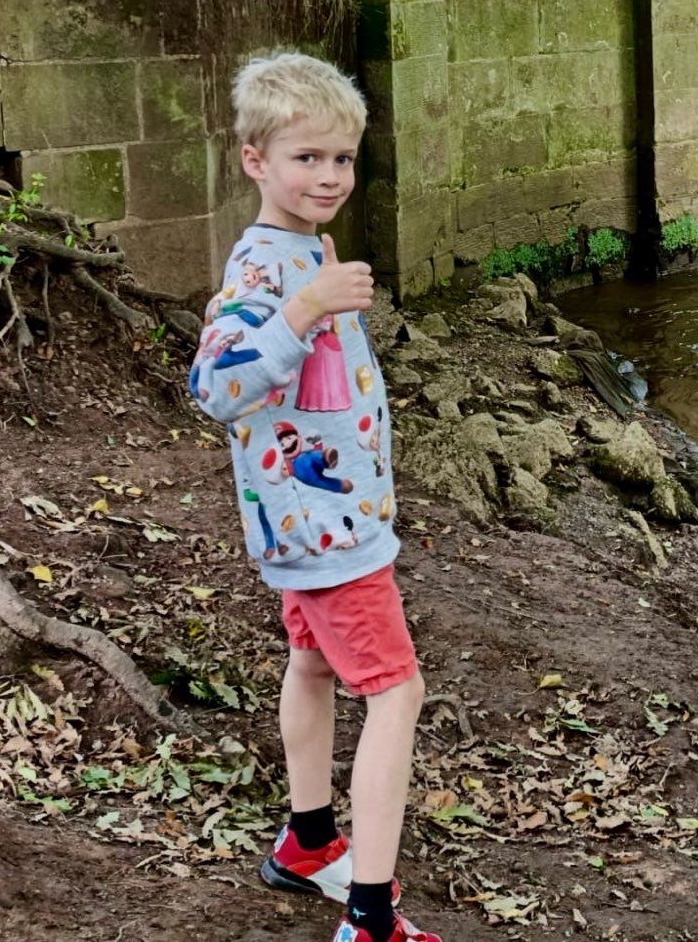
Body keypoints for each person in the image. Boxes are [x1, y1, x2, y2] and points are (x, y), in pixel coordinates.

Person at [189, 50, 438, 942]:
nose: (329, 175)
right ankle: (369, 918)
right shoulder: (266, 271)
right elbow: (214, 387)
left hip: (312, 521)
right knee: (396, 692)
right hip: (326, 534)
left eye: (341, 158)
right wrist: (305, 310)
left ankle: (308, 843)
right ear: (256, 160)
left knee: (316, 664)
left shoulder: (303, 249)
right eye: (307, 158)